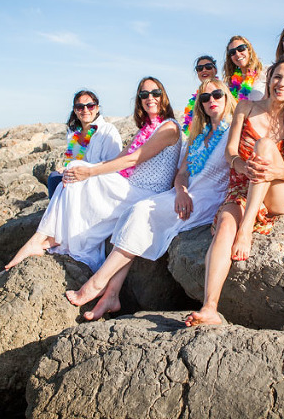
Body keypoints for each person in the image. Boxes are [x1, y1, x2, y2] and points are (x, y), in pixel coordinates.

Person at [0, 77, 181, 284]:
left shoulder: (168, 127)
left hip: (144, 191)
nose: (149, 98)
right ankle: (41, 238)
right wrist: (84, 170)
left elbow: (131, 159)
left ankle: (45, 239)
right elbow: (119, 158)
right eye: (144, 94)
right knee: (68, 172)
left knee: (74, 173)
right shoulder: (143, 129)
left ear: (164, 96)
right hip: (130, 184)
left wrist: (90, 172)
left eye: (155, 93)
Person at [66, 79, 237, 320]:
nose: (211, 101)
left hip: (210, 197)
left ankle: (97, 283)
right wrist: (181, 191)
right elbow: (183, 174)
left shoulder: (234, 131)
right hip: (186, 194)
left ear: (227, 97)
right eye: (205, 98)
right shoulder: (198, 136)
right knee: (135, 212)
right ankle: (112, 295)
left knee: (141, 212)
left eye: (217, 95)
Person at [185, 55, 284, 326]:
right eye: (277, 77)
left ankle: (246, 230)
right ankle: (210, 307)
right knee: (224, 224)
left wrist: (271, 173)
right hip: (242, 185)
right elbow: (230, 151)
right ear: (269, 80)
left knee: (266, 146)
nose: (281, 83)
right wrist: (242, 166)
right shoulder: (246, 107)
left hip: (278, 192)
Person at [46, 90, 123, 198]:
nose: (85, 110)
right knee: (54, 178)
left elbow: (114, 163)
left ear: (97, 108)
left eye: (90, 106)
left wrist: (85, 170)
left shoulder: (107, 130)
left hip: (99, 176)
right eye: (80, 107)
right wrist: (67, 168)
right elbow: (73, 159)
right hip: (77, 174)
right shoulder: (72, 133)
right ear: (75, 110)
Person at [182, 55, 219, 136]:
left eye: (208, 67)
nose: (204, 70)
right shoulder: (196, 98)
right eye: (200, 68)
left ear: (215, 70)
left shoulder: (222, 92)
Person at [223, 36, 265, 102]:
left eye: (241, 48)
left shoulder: (266, 72)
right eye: (232, 52)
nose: (237, 54)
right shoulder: (230, 83)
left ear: (249, 50)